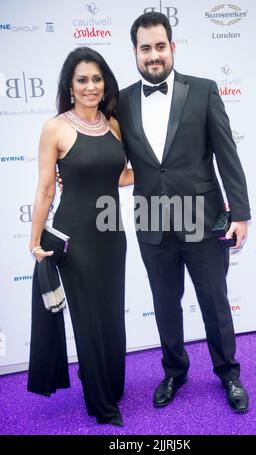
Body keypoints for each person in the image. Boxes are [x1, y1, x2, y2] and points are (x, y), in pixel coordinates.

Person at [116, 12, 251, 412]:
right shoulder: (121, 100)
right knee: (164, 303)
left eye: (160, 46)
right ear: (135, 53)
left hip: (204, 221)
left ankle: (229, 373)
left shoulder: (204, 90)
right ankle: (174, 371)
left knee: (215, 302)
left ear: (172, 47)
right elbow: (114, 158)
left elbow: (228, 154)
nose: (153, 55)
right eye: (145, 48)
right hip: (152, 223)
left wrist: (240, 213)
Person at [28, 46, 133, 426]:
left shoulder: (113, 124)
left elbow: (118, 175)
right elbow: (45, 189)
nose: (91, 86)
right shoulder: (55, 127)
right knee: (88, 320)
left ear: (105, 84)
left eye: (97, 79)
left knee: (111, 316)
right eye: (82, 80)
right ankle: (102, 404)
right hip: (76, 238)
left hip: (111, 234)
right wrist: (35, 239)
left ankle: (109, 383)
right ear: (70, 86)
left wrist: (157, 173)